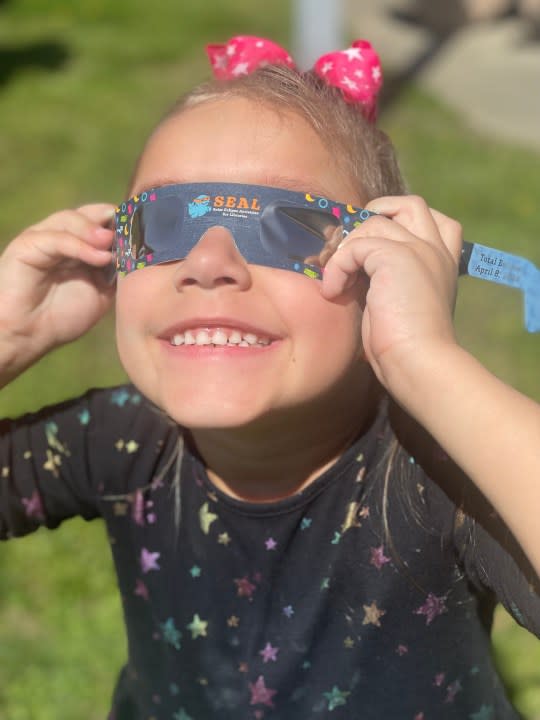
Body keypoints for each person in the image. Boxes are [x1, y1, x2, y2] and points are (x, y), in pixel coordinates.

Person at [0, 34, 539, 720]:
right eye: (166, 222)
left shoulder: (434, 472)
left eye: (286, 227)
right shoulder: (124, 439)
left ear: (385, 266)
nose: (209, 261)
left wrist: (427, 361)